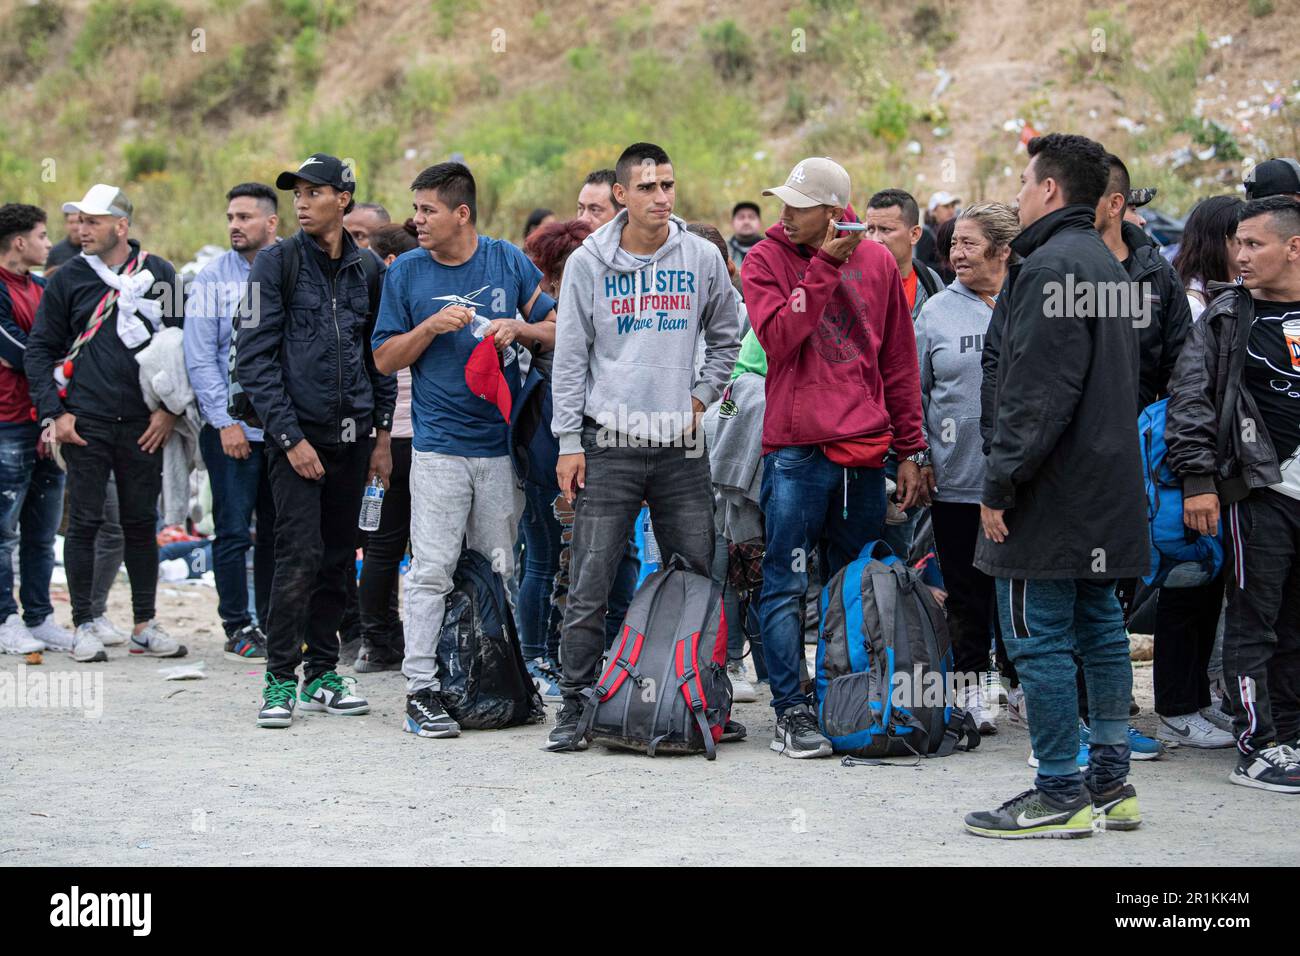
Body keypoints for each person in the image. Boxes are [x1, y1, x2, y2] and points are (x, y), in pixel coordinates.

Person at [965, 133, 1147, 838]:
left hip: (1049, 491)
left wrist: (1000, 484)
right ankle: (1111, 782)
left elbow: (1035, 396)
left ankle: (1057, 789)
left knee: (1037, 640)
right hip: (1106, 490)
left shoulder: (1048, 268)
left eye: (1022, 181)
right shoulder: (1104, 260)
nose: (1017, 192)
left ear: (1047, 190)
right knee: (1101, 630)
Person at [545, 142, 741, 751]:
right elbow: (570, 358)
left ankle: (701, 697)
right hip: (609, 443)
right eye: (649, 188)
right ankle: (576, 701)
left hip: (682, 447)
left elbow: (728, 337)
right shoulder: (588, 264)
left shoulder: (703, 256)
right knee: (590, 577)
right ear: (621, 195)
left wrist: (702, 399)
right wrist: (568, 441)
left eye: (669, 186)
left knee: (698, 574)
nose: (662, 198)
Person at [744, 157, 924, 758]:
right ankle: (791, 711)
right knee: (786, 582)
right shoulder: (766, 258)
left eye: (798, 206)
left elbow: (897, 364)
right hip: (795, 453)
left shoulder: (876, 260)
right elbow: (776, 339)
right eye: (784, 203)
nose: (785, 215)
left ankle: (845, 700)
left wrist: (911, 449)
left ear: (833, 212)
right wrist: (823, 266)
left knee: (855, 587)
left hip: (865, 455)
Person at [372, 162, 556, 739]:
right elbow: (382, 360)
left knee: (498, 568)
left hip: (500, 449)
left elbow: (559, 330)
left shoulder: (506, 260)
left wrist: (516, 328)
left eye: (427, 209)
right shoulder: (404, 273)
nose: (416, 219)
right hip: (439, 450)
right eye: (415, 208)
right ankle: (420, 690)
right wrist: (428, 329)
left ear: (461, 213)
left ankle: (491, 681)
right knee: (430, 571)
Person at [235, 154, 396, 728]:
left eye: (314, 192)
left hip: (353, 439)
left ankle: (323, 672)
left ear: (343, 199)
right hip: (294, 441)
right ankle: (279, 679)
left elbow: (379, 359)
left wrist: (381, 436)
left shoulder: (371, 270)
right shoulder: (274, 265)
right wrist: (289, 438)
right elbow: (254, 361)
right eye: (296, 193)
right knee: (297, 556)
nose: (301, 202)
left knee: (336, 557)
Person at [1166, 196, 1300, 793]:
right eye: (1237, 244)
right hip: (1259, 494)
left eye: (1254, 245)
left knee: (1296, 623)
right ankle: (1258, 745)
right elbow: (1190, 401)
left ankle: (1289, 736)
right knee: (1254, 621)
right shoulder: (1225, 316)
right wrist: (1199, 481)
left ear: (1293, 248)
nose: (1239, 255)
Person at [25, 184, 186, 662]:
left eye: (93, 221)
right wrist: (55, 414)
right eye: (78, 220)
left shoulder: (158, 272)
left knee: (141, 523)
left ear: (120, 226)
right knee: (86, 524)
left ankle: (143, 623)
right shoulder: (70, 277)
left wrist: (170, 410)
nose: (81, 229)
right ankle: (84, 624)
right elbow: (40, 350)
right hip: (86, 421)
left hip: (145, 422)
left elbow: (184, 345)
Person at [1091, 153, 1199, 756]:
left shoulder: (1156, 273)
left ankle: (1109, 720)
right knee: (1078, 592)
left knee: (1118, 593)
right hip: (1071, 464)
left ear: (1114, 203)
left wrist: (1176, 453)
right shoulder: (1052, 269)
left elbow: (1184, 368)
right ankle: (1078, 722)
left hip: (1139, 463)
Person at [915, 200, 1020, 735]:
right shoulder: (936, 312)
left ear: (1003, 250)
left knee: (1022, 590)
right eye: (953, 243)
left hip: (1024, 482)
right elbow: (915, 394)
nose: (957, 253)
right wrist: (916, 458)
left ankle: (1022, 686)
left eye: (970, 244)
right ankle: (972, 691)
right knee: (966, 593)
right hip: (957, 480)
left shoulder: (1029, 301)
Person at [183, 183, 280, 663]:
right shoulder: (211, 279)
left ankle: (271, 621)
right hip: (232, 429)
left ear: (271, 223)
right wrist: (224, 421)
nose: (235, 226)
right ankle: (237, 625)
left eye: (244, 217)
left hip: (283, 429)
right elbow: (200, 358)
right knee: (234, 529)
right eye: (230, 217)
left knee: (278, 532)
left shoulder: (290, 268)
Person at [519, 217, 593, 699]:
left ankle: (557, 650)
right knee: (543, 556)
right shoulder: (557, 315)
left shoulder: (588, 310)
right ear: (552, 277)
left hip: (576, 448)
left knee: (572, 559)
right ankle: (532, 655)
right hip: (546, 449)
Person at [0, 204, 71, 656]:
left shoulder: (44, 287)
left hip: (47, 423)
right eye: (43, 236)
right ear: (20, 242)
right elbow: (16, 353)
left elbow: (62, 346)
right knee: (4, 532)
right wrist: (58, 365)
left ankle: (39, 616)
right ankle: (4, 618)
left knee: (43, 533)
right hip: (7, 425)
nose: (50, 244)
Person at [354, 220, 421, 673]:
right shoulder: (418, 298)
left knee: (381, 548)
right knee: (423, 551)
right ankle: (410, 640)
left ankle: (377, 644)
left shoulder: (373, 305)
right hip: (411, 440)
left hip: (388, 441)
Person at [865, 189, 944, 320]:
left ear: (914, 234)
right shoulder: (854, 283)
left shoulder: (929, 280)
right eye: (870, 229)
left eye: (886, 229)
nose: (875, 239)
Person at [1173, 195, 1245, 320]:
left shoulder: (1232, 290)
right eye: (1245, 241)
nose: (1251, 251)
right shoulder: (1194, 306)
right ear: (1225, 241)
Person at [728, 200, 763, 276]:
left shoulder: (771, 250)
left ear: (760, 223)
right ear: (732, 223)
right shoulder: (721, 250)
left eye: (751, 217)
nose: (746, 221)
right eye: (741, 217)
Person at [44, 210, 82, 275]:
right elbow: (46, 278)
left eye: (78, 222)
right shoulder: (55, 251)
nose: (75, 227)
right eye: (71, 222)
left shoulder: (94, 249)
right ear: (66, 225)